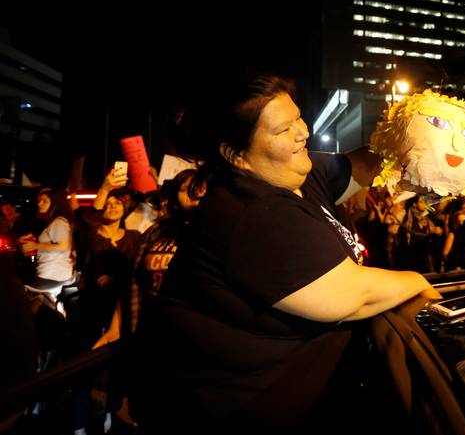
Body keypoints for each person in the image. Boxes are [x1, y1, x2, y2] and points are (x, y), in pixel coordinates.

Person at [132, 73, 437, 432]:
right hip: (231, 415)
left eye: (297, 117)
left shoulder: (298, 174)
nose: (302, 132)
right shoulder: (250, 215)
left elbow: (367, 165)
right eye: (282, 130)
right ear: (238, 156)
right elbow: (354, 295)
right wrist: (420, 283)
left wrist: (418, 129)